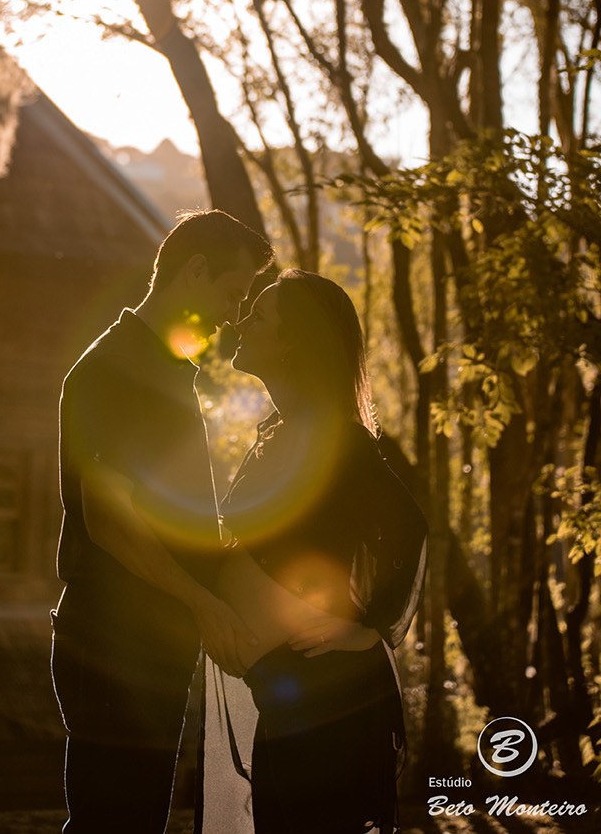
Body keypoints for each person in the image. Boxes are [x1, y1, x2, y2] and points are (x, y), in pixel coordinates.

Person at [52, 210, 274, 834]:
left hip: (152, 639)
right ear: (194, 271)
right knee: (112, 821)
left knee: (138, 818)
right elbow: (112, 522)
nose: (236, 315)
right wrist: (202, 603)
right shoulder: (111, 371)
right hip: (111, 642)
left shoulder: (173, 372)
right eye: (233, 293)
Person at [205, 270, 427, 834]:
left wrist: (369, 627)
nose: (239, 324)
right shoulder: (284, 433)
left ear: (293, 342)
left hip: (333, 705)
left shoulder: (335, 440)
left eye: (258, 317)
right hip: (291, 702)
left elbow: (411, 528)